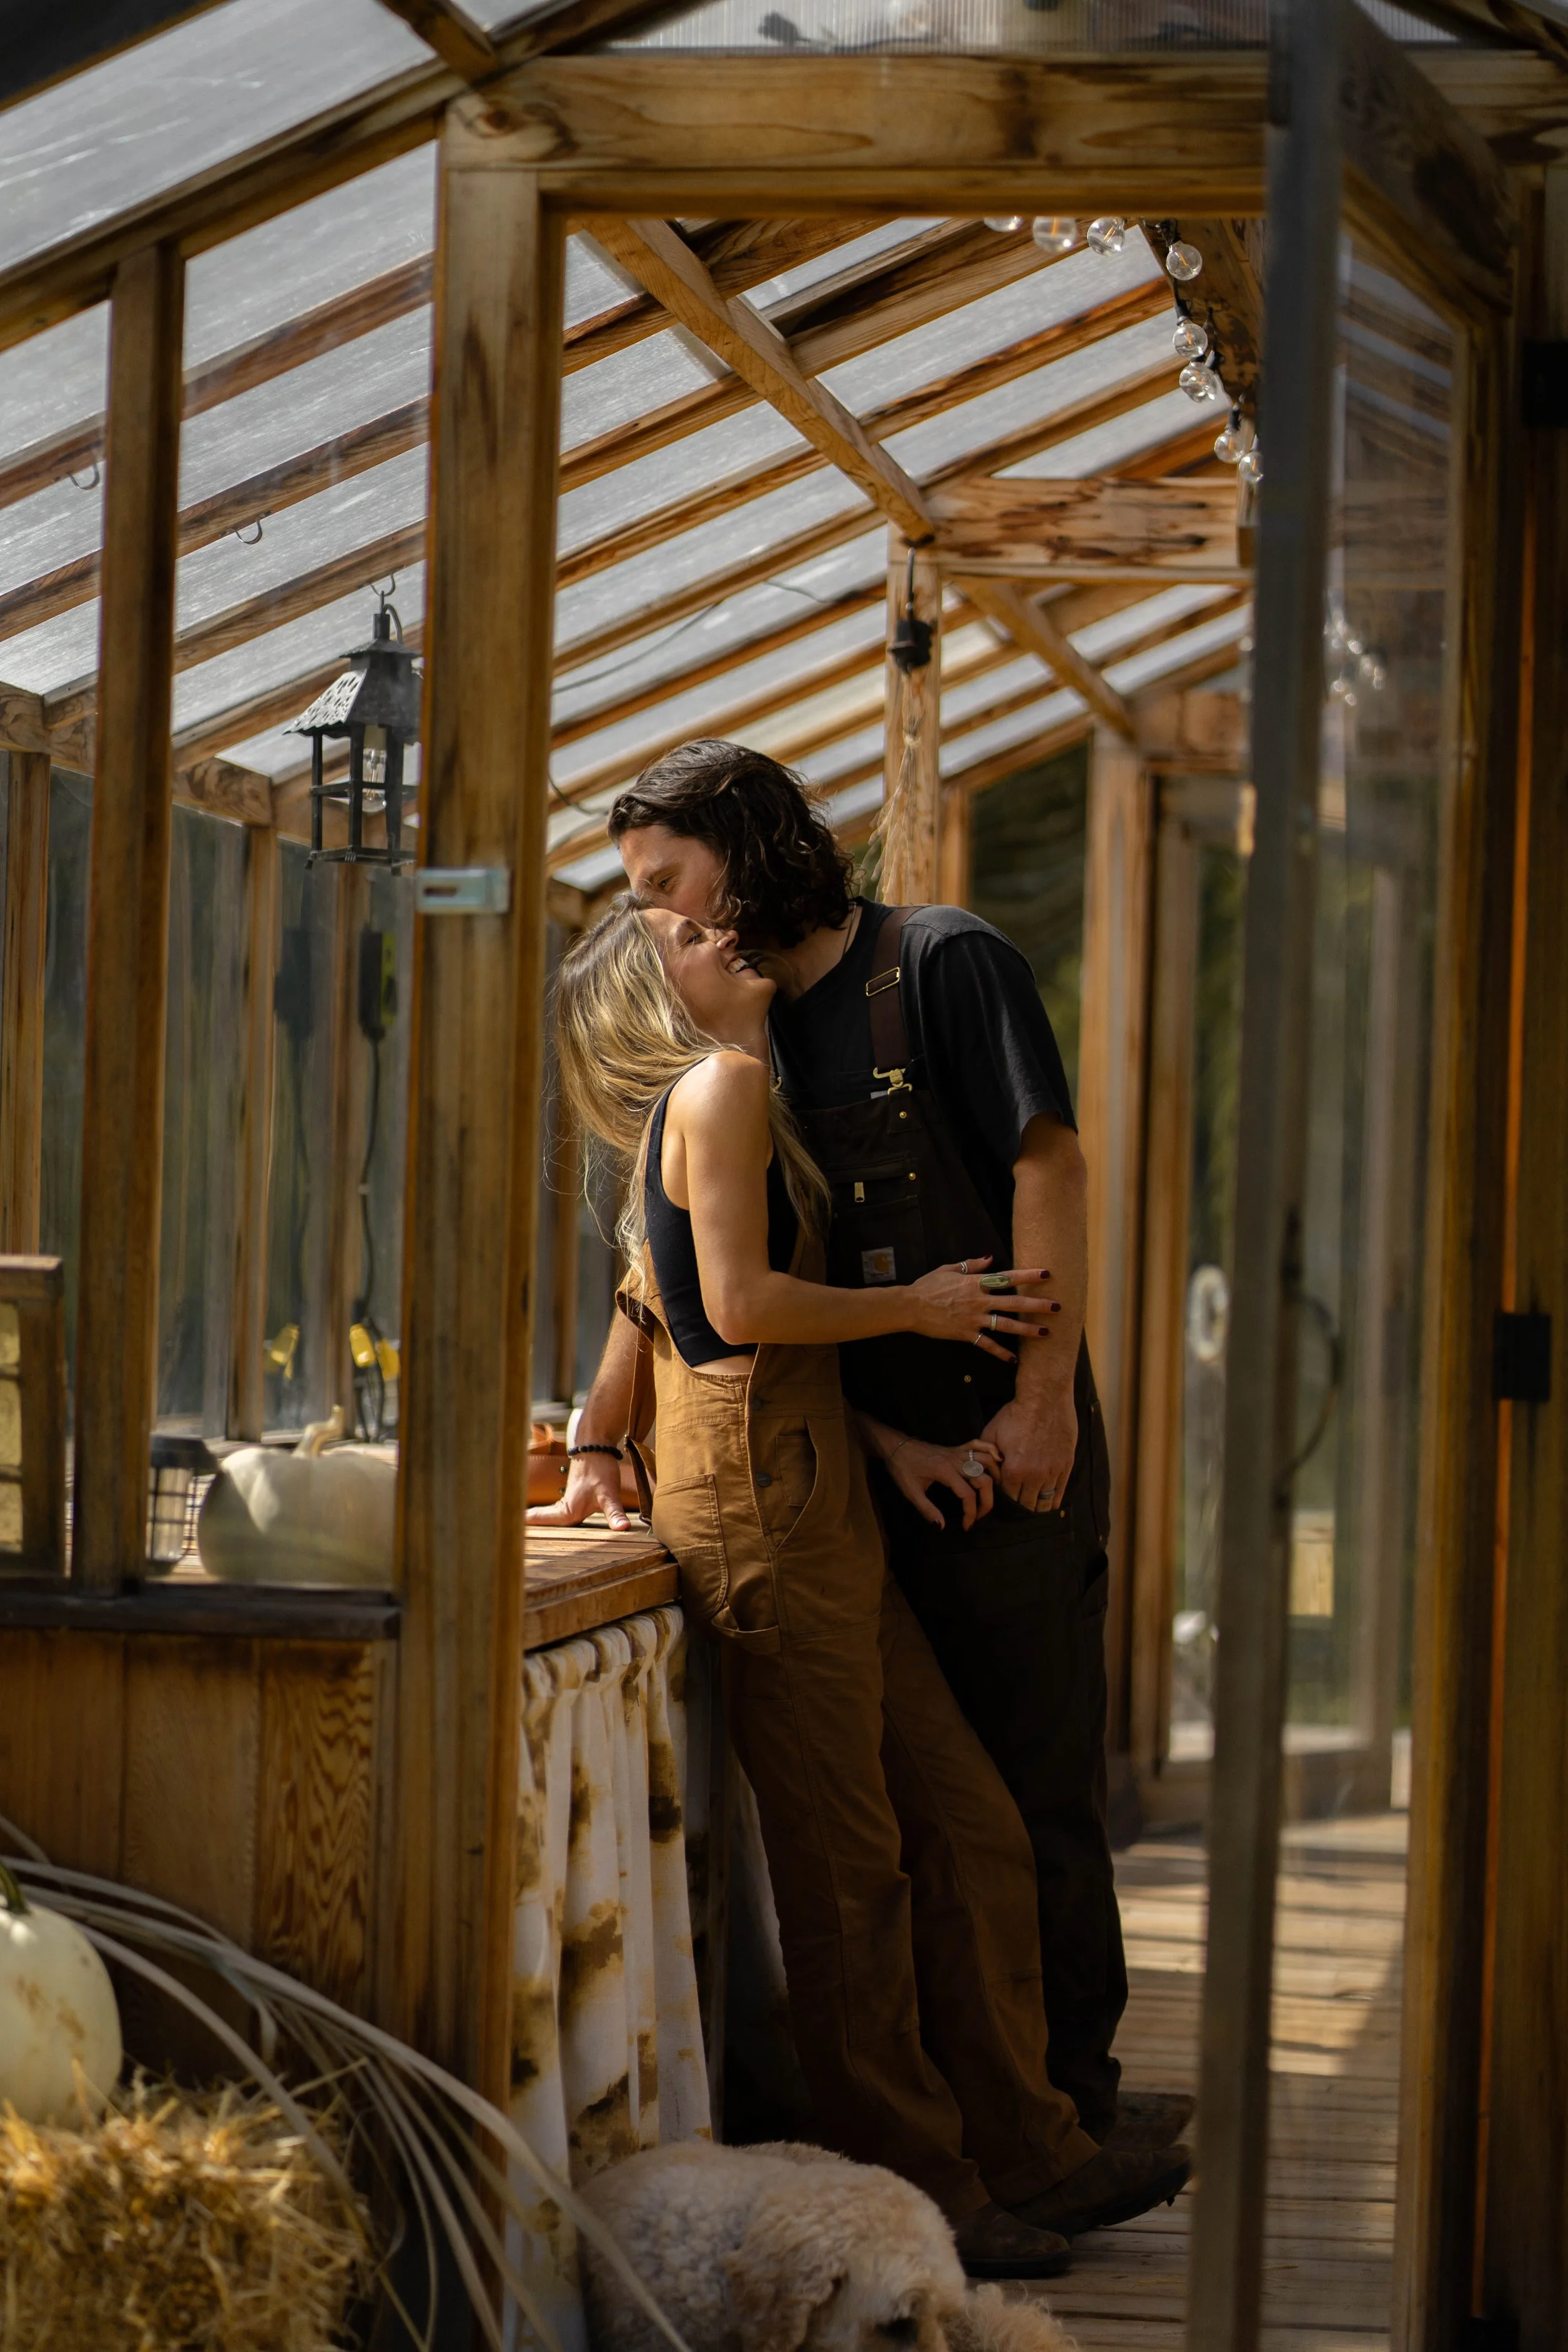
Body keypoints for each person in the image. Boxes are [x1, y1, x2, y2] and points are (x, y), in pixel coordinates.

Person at [539, 738, 1191, 2162]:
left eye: (669, 882)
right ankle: (968, 2146)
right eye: (647, 903)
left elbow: (1048, 1168)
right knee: (896, 1842)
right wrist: (598, 1438)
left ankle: (1061, 2111)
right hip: (831, 1483)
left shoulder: (936, 962)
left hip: (983, 1461)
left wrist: (1042, 1398)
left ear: (743, 843)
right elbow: (679, 1296)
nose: (669, 918)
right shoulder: (736, 1056)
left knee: (1023, 1795)